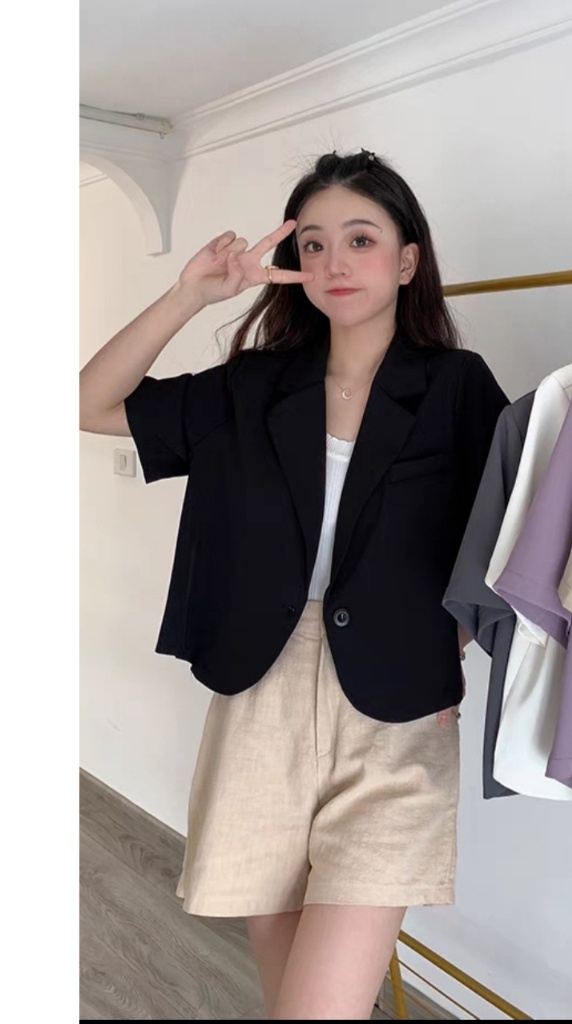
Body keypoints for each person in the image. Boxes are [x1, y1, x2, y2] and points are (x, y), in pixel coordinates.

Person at [79, 149, 509, 1019]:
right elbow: (87, 404)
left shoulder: (456, 388)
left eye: (360, 239)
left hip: (396, 712)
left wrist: (450, 645)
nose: (334, 261)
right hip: (260, 692)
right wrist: (190, 295)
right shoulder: (254, 385)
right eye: (313, 244)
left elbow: (503, 536)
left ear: (408, 260)